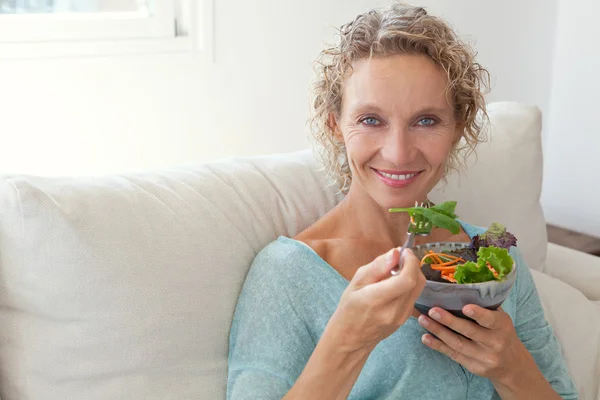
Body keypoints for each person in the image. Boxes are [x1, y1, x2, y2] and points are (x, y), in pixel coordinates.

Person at [227, 3, 578, 399]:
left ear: (457, 127)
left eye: (426, 120)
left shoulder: (495, 261)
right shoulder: (288, 275)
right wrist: (347, 341)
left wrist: (511, 366)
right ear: (335, 125)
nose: (398, 153)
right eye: (371, 120)